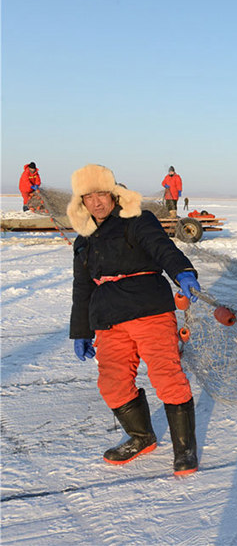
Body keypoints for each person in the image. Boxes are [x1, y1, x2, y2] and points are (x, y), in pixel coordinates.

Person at [67, 164, 202, 476]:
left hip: (148, 308)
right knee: (112, 383)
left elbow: (162, 247)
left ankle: (185, 448)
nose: (96, 201)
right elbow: (82, 286)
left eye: (101, 193)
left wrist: (182, 270)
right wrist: (81, 331)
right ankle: (141, 437)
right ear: (82, 202)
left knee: (167, 376)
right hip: (108, 316)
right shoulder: (83, 240)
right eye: (88, 197)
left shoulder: (136, 219)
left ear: (114, 194)